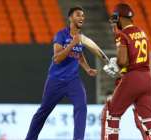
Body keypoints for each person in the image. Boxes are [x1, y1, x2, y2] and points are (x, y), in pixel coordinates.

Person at [25, 6, 97, 140]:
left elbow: (79, 54)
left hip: (73, 81)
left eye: (83, 15)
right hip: (56, 80)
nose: (82, 17)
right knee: (43, 112)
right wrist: (71, 44)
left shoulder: (80, 38)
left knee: (81, 107)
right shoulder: (61, 35)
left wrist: (87, 68)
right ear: (70, 18)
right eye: (78, 15)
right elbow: (57, 58)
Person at [101, 3, 151, 140]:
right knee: (148, 119)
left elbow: (123, 61)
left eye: (116, 20)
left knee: (112, 113)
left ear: (119, 18)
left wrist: (116, 64)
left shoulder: (122, 34)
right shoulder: (142, 32)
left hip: (133, 78)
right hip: (147, 78)